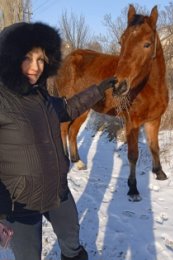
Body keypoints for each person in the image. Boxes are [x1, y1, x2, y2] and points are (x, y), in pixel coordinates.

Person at [0, 22, 117, 260]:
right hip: (19, 205)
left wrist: (98, 90)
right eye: (28, 58)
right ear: (10, 57)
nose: (36, 67)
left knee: (72, 241)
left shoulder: (40, 96)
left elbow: (67, 108)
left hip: (57, 191)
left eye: (41, 60)